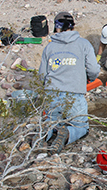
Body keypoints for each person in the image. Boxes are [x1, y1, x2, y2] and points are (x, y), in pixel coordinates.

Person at [38, 12, 100, 154]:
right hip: (74, 95)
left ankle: (43, 135)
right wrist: (89, 78)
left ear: (57, 27)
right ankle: (67, 133)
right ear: (73, 26)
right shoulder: (84, 44)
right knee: (81, 127)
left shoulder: (49, 47)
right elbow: (93, 69)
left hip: (51, 94)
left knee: (51, 122)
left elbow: (42, 75)